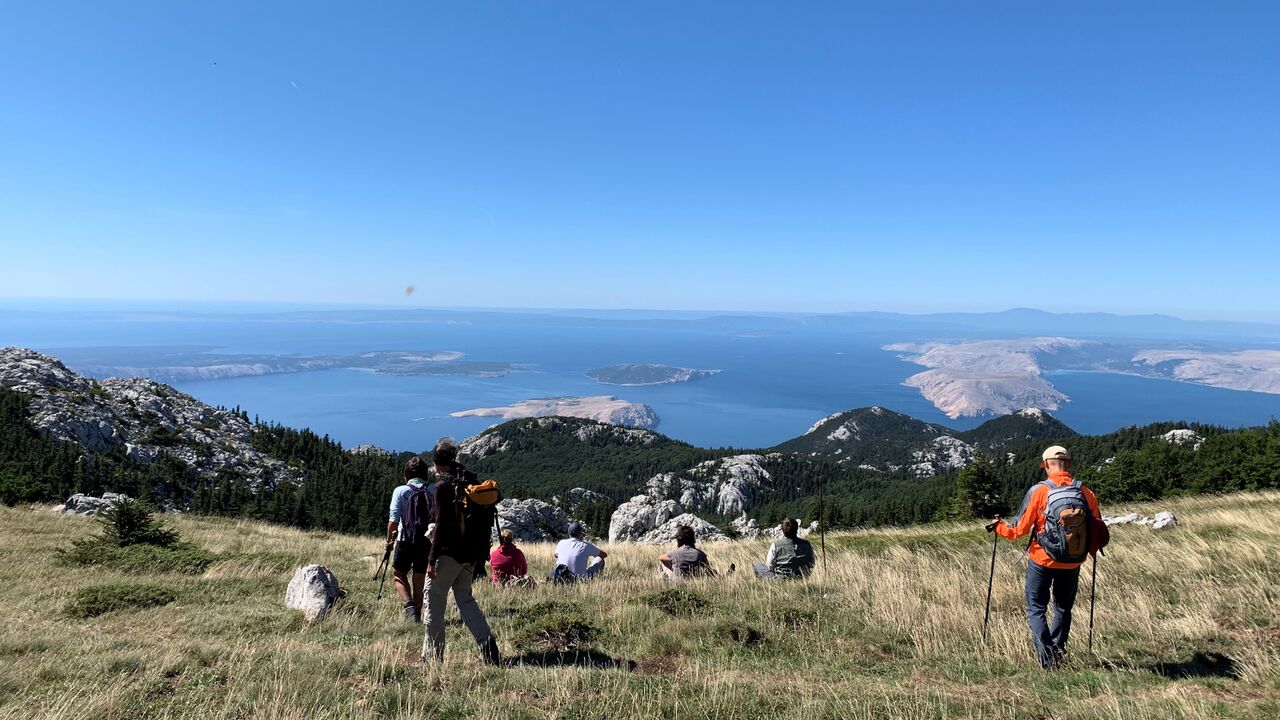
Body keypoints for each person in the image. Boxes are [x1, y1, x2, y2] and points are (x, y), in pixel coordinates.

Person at [989, 445, 1103, 669]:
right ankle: (1058, 652)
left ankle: (1047, 659)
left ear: (1045, 465)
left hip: (1042, 560)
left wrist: (998, 527)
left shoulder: (1040, 491)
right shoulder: (1086, 493)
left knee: (1036, 609)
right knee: (1062, 608)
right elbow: (1097, 527)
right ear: (1069, 464)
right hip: (1072, 561)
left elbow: (1018, 530)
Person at [422, 438, 501, 665]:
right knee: (465, 601)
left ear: (437, 463)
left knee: (434, 601)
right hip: (470, 556)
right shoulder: (469, 480)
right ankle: (489, 647)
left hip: (447, 555)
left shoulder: (442, 487)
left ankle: (432, 658)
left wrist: (431, 559)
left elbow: (442, 526)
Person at [386, 456, 434, 622]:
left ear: (406, 474)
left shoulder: (400, 491)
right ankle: (418, 613)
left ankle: (409, 607)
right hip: (426, 540)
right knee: (419, 577)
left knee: (399, 574)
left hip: (404, 539)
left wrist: (389, 542)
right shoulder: (433, 490)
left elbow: (393, 520)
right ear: (425, 474)